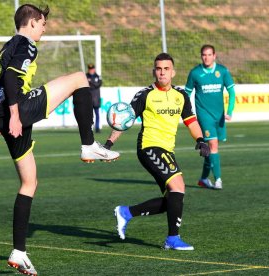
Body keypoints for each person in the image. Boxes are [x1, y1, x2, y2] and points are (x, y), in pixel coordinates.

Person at [0, 4, 119, 275]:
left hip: (5, 114)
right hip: (18, 110)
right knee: (80, 78)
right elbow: (10, 78)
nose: (45, 28)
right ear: (32, 22)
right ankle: (88, 144)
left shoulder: (7, 46)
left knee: (29, 182)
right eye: (43, 23)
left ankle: (19, 252)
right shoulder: (26, 44)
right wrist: (12, 115)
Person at [104, 53, 210, 250]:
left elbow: (191, 121)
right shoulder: (145, 94)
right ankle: (172, 239)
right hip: (149, 147)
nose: (162, 73)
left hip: (167, 151)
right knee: (178, 186)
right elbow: (124, 120)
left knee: (172, 199)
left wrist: (201, 140)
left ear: (173, 72)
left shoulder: (181, 96)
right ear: (154, 71)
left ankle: (126, 213)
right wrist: (109, 143)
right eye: (158, 69)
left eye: (166, 69)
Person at [185, 44, 235, 190]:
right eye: (203, 55)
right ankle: (218, 179)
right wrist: (186, 112)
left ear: (214, 55)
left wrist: (230, 111)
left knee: (209, 149)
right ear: (201, 56)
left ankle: (203, 179)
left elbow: (232, 93)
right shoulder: (195, 73)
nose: (206, 57)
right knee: (214, 145)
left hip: (219, 116)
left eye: (209, 55)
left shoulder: (222, 71)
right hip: (203, 115)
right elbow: (186, 94)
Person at [86, 63, 103, 133]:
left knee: (97, 114)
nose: (91, 70)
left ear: (94, 69)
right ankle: (88, 128)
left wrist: (91, 82)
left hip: (96, 99)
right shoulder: (86, 76)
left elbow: (98, 85)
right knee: (88, 115)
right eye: (90, 69)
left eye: (92, 69)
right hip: (88, 98)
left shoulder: (98, 76)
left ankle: (97, 127)